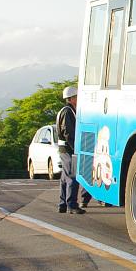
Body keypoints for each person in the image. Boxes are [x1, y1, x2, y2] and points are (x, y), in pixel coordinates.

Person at [56, 86, 85, 214]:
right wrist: (75, 148)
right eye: (77, 97)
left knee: (64, 177)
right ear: (72, 98)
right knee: (72, 177)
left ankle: (62, 204)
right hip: (68, 148)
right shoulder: (68, 111)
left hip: (64, 148)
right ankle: (71, 204)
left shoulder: (66, 110)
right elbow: (68, 132)